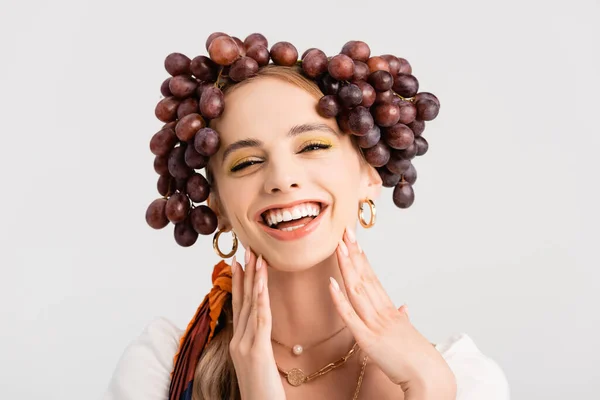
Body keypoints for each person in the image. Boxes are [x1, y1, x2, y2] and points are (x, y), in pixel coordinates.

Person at [103, 33, 510, 400]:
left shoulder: (462, 380)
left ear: (370, 172)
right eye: (245, 162)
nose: (282, 179)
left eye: (313, 146)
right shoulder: (158, 373)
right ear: (217, 207)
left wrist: (430, 391)